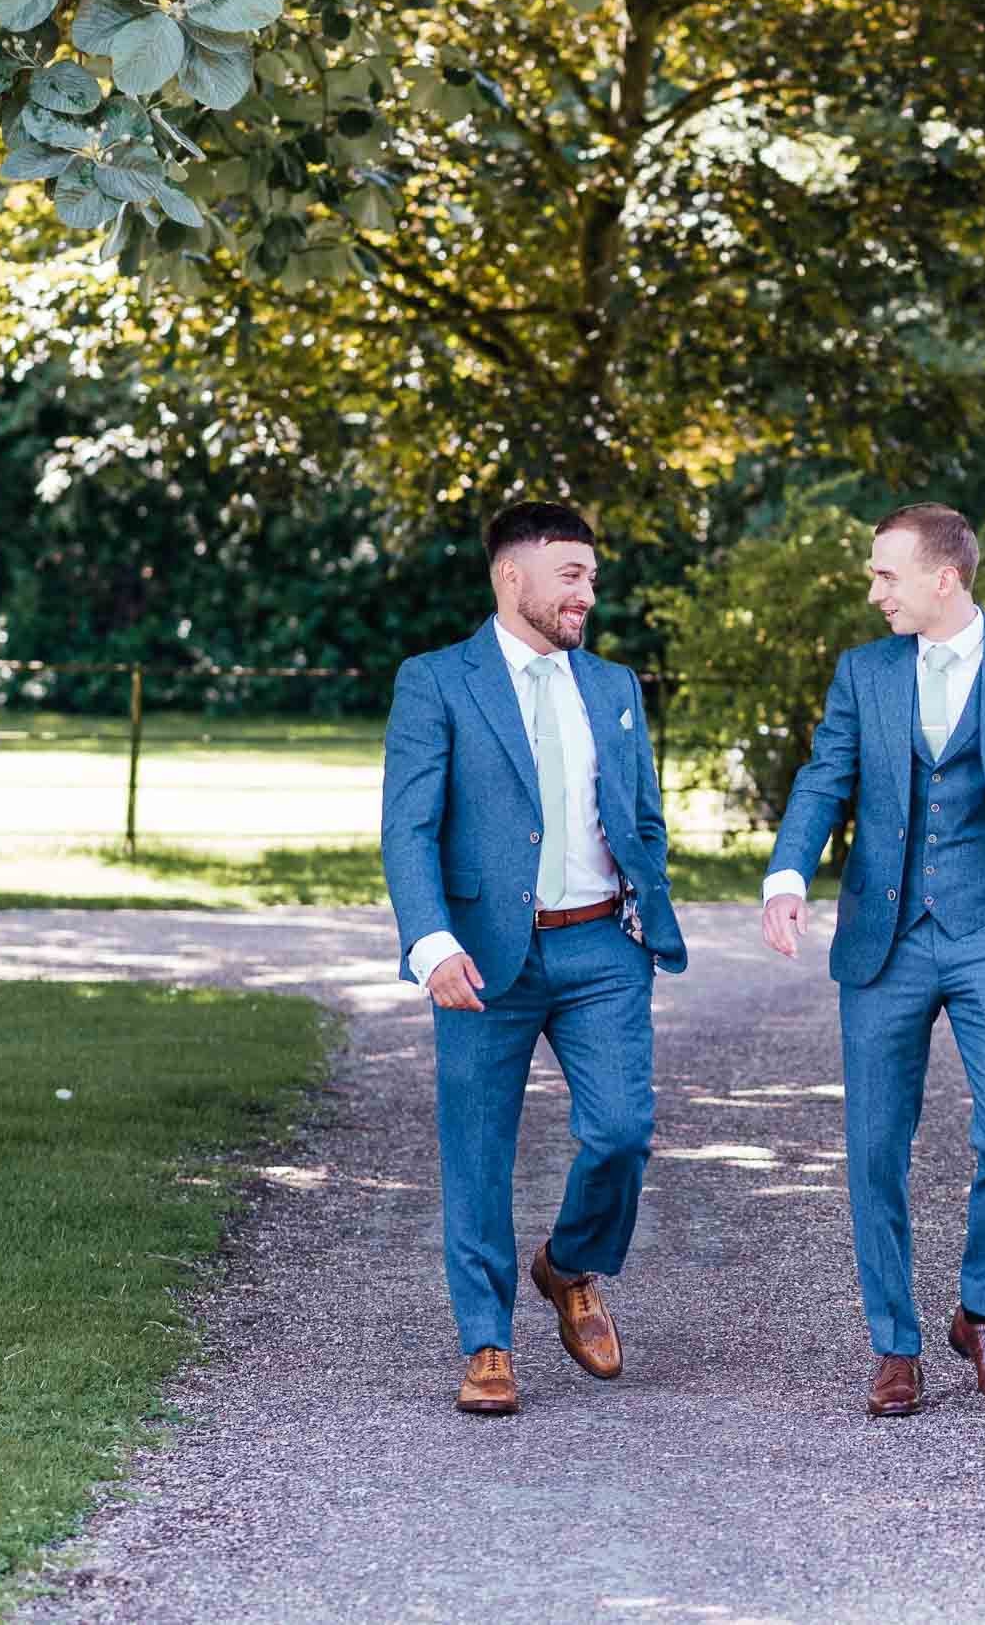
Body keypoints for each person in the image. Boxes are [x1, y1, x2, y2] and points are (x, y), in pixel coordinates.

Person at [760, 502, 985, 1418]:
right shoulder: (862, 672)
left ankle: (982, 1313)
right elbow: (825, 777)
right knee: (875, 1146)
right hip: (885, 933)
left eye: (886, 575)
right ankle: (895, 1343)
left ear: (944, 579)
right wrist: (788, 872)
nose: (873, 591)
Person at [380, 500, 687, 1416]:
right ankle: (487, 1342)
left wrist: (645, 898)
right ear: (512, 578)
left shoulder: (614, 684)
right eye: (572, 575)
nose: (587, 592)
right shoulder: (436, 681)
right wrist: (429, 939)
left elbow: (642, 814)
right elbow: (408, 824)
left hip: (602, 946)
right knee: (478, 1152)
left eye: (591, 575)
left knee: (623, 1130)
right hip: (480, 956)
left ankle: (571, 1265)